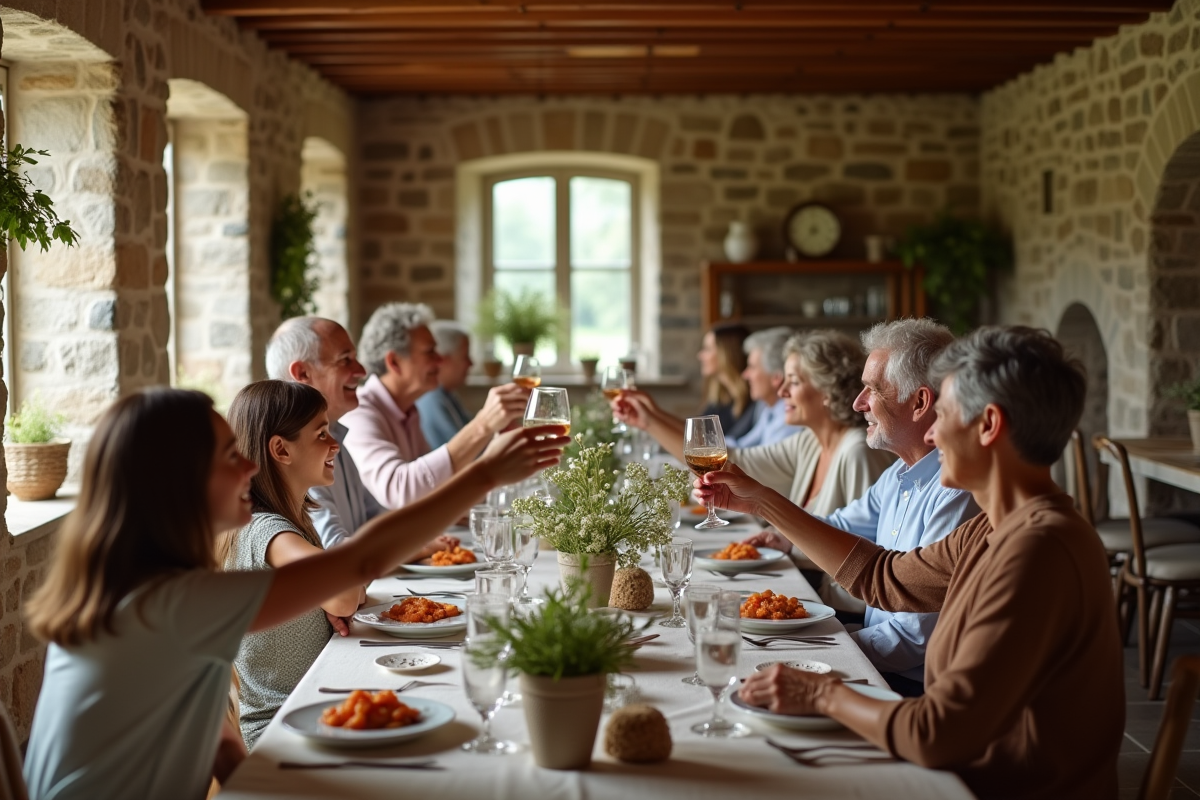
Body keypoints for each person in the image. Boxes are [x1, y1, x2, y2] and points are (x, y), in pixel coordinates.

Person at [21, 388, 566, 799]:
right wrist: (485, 473)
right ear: (177, 482)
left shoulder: (156, 590)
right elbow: (360, 562)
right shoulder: (166, 602)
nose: (250, 466)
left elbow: (218, 739)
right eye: (228, 456)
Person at [726, 327, 1123, 800]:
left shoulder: (1037, 550)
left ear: (988, 425)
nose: (932, 433)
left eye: (945, 414)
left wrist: (819, 693)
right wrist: (764, 503)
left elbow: (936, 733)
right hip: (965, 768)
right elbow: (881, 576)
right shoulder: (995, 528)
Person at [739, 319, 979, 695]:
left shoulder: (956, 492)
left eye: (872, 390)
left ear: (920, 403)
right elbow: (839, 527)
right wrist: (782, 538)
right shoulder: (901, 473)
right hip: (878, 662)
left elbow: (914, 638)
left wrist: (825, 656)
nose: (858, 403)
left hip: (912, 688)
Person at [221, 381, 362, 748]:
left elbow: (342, 585)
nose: (335, 444)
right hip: (284, 728)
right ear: (281, 449)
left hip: (316, 708)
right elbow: (346, 595)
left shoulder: (293, 519)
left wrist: (333, 592)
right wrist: (340, 593)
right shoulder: (267, 529)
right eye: (321, 433)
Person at [265, 316, 452, 556]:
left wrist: (420, 541)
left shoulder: (336, 437)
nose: (362, 371)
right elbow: (335, 552)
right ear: (302, 373)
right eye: (345, 360)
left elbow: (373, 519)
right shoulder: (293, 454)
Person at [341, 303, 529, 509]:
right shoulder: (359, 413)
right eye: (430, 352)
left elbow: (435, 487)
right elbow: (399, 490)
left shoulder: (408, 411)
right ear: (394, 362)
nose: (440, 360)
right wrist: (484, 424)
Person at [727, 326, 804, 448]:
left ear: (776, 378)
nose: (745, 375)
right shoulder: (769, 409)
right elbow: (740, 445)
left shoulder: (789, 417)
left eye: (751, 367)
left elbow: (755, 459)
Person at [415, 320, 474, 449]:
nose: (471, 363)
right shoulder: (432, 399)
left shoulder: (448, 395)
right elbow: (464, 452)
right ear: (444, 360)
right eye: (465, 356)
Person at [698, 322, 754, 440]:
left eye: (707, 349)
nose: (700, 355)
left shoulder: (753, 400)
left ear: (726, 354)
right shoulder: (719, 399)